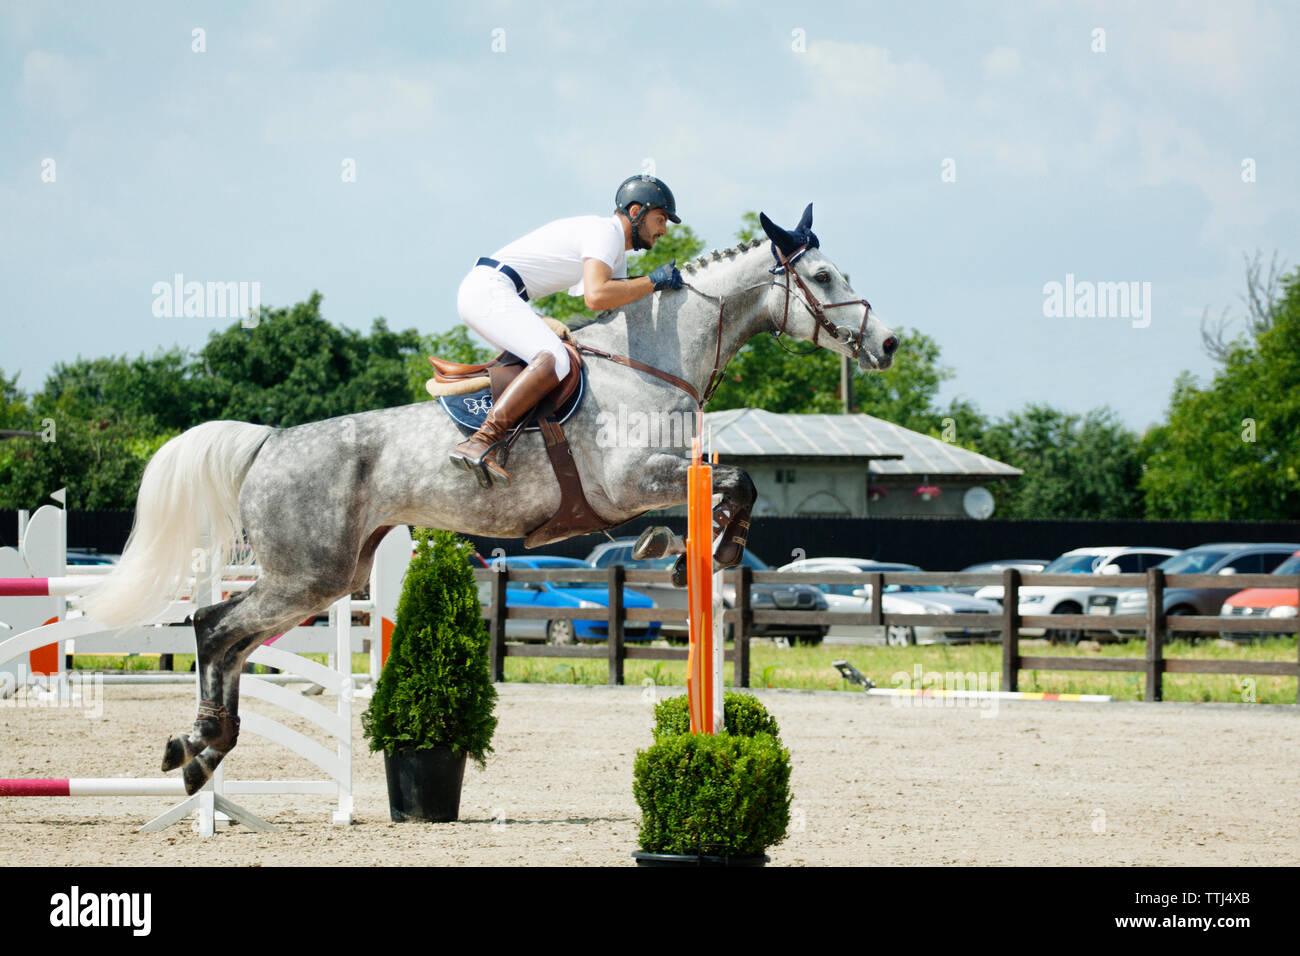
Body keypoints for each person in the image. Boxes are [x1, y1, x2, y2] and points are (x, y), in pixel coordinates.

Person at [449, 174, 685, 486]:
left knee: (553, 356)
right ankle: (481, 440)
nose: (663, 231)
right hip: (491, 289)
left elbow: (610, 308)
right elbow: (596, 295)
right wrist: (653, 281)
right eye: (660, 219)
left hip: (497, 292)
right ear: (635, 211)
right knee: (555, 359)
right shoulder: (605, 232)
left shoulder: (614, 251)